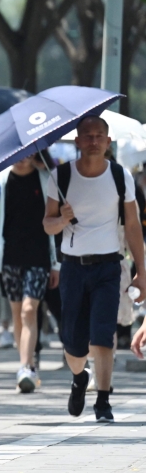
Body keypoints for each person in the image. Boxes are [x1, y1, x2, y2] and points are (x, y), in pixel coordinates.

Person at [44, 115, 146, 422]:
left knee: (103, 334)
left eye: (99, 136)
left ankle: (103, 401)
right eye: (86, 136)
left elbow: (132, 226)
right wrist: (61, 219)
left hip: (108, 266)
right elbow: (47, 225)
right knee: (73, 343)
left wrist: (142, 270)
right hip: (73, 268)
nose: (93, 141)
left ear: (108, 142)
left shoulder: (120, 176)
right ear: (76, 142)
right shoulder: (60, 177)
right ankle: (79, 378)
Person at [0, 156, 59, 393]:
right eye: (16, 155)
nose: (22, 160)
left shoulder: (47, 180)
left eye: (27, 154)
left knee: (29, 309)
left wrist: (56, 264)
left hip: (40, 257)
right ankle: (27, 363)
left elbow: (54, 223)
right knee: (17, 312)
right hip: (9, 257)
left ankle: (26, 367)